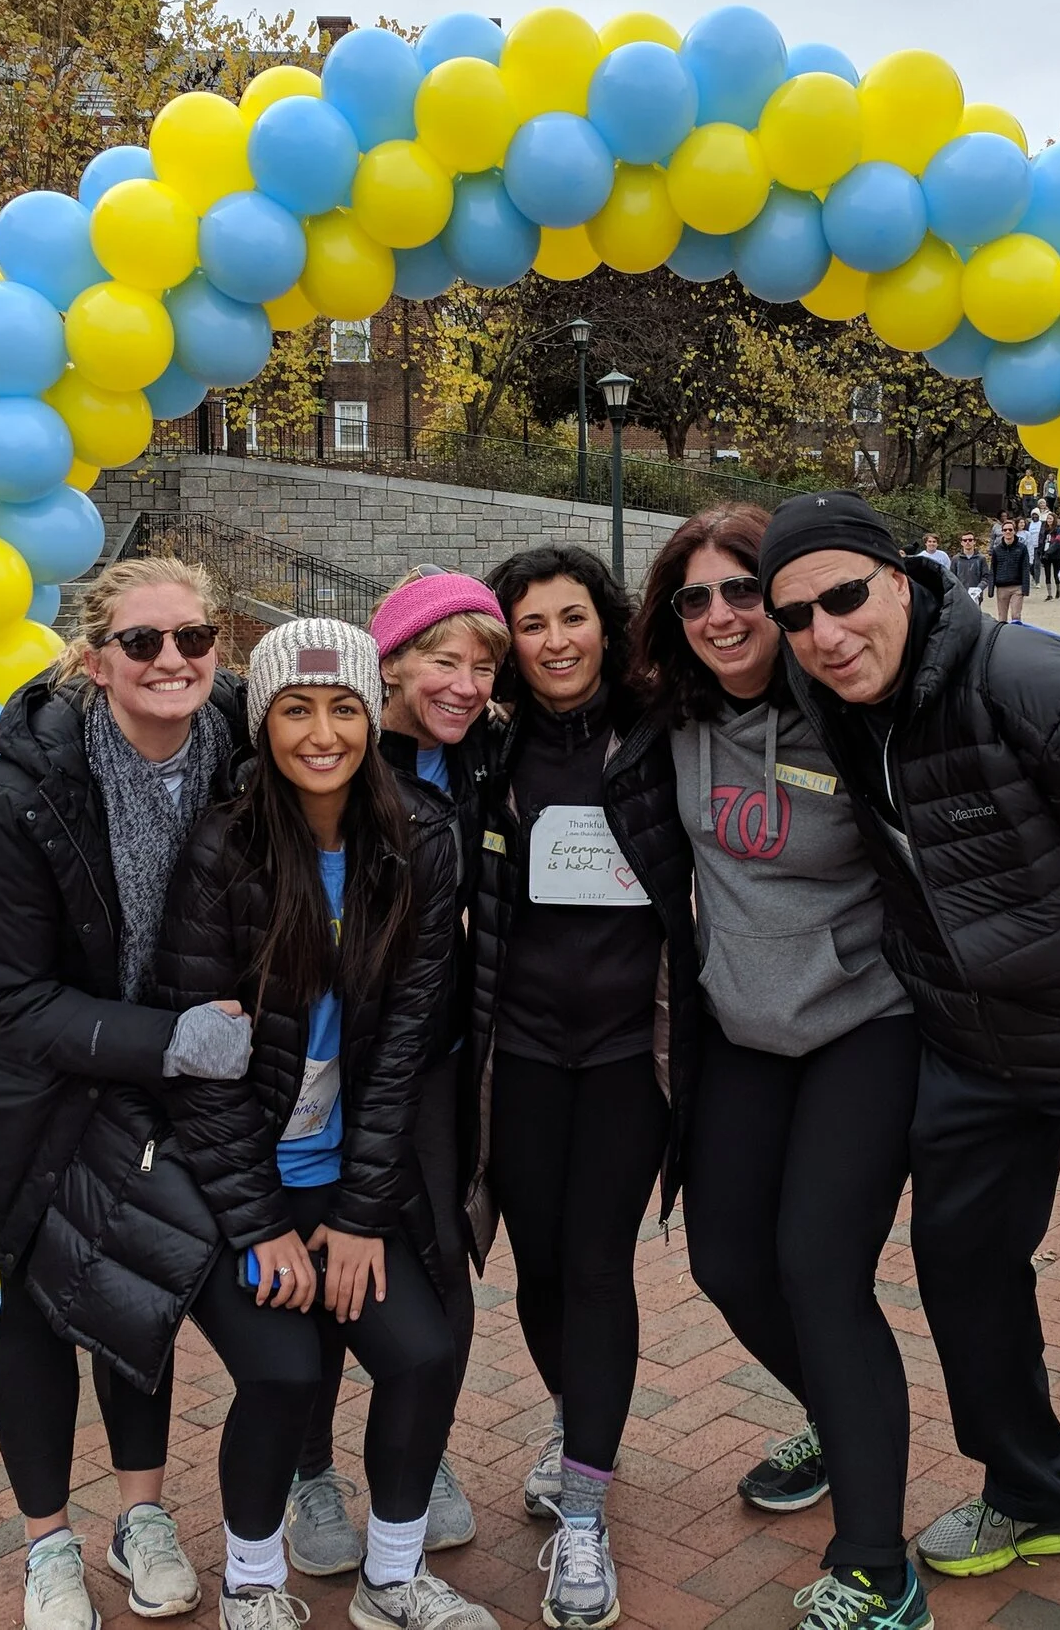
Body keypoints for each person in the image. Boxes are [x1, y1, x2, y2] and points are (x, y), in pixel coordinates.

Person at [760, 491, 1060, 1630]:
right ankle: (1033, 1487)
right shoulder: (830, 696)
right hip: (972, 1052)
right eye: (798, 616)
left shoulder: (1041, 686)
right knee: (959, 1271)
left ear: (902, 579)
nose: (826, 633)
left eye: (844, 598)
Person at [36, 618, 485, 1630]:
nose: (321, 732)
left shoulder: (420, 841)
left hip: (347, 1174)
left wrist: (363, 1214)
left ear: (372, 717)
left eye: (342, 707)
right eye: (295, 709)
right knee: (282, 1372)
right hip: (233, 1177)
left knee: (421, 1353)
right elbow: (203, 1073)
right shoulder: (223, 848)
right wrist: (261, 1225)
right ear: (264, 721)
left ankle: (393, 1577)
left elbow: (401, 1051)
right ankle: (254, 1584)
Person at [0, 554, 245, 1627]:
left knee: (137, 1275)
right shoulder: (18, 795)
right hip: (23, 1083)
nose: (170, 660)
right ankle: (46, 1543)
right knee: (39, 1300)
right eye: (141, 643)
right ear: (96, 661)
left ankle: (140, 1515)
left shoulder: (240, 749)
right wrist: (169, 1041)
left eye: (190, 638)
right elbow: (6, 996)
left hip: (157, 1066)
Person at [632, 506, 927, 1630]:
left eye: (742, 590)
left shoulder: (855, 716)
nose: (719, 615)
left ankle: (875, 1568)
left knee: (818, 1266)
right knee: (724, 1261)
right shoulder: (670, 717)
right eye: (693, 598)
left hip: (867, 1019)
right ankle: (844, 1418)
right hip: (741, 1024)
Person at [469, 545, 698, 1630]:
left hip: (626, 1052)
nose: (556, 640)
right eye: (531, 624)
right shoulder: (489, 748)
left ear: (606, 624)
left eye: (573, 617)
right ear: (507, 642)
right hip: (515, 1050)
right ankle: (573, 1422)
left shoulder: (663, 729)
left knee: (599, 1267)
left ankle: (587, 1514)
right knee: (539, 1267)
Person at [277, 568, 509, 1578]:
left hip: (438, 1058)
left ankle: (420, 1450)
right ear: (391, 665)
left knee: (437, 1268)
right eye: (441, 661)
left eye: (481, 665)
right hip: (332, 1064)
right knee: (326, 1266)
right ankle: (307, 1470)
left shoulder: (482, 758)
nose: (463, 684)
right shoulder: (336, 763)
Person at [987, 516, 1031, 625]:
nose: (1008, 532)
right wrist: (991, 589)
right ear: (1002, 532)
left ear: (1014, 531)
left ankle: (1016, 637)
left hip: (1017, 586)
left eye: (1010, 529)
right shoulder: (997, 550)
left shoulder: (1022, 548)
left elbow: (1025, 568)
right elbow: (993, 569)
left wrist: (1025, 588)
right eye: (1005, 530)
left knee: (1016, 615)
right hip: (1002, 587)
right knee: (1002, 617)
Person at [953, 531, 992, 611]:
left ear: (974, 542)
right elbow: (952, 577)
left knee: (975, 619)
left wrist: (979, 588)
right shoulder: (956, 559)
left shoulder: (981, 559)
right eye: (965, 540)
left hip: (976, 596)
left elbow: (986, 576)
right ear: (961, 543)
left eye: (970, 540)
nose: (967, 542)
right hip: (960, 596)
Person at [1036, 515, 1060, 600]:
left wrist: (1049, 551)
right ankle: (1049, 594)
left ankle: (1058, 589)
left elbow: (1058, 542)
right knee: (1047, 574)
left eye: (1050, 518)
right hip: (1046, 555)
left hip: (1056, 555)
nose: (1049, 520)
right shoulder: (1044, 529)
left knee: (1056, 574)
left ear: (1054, 520)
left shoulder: (1059, 529)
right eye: (1048, 519)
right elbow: (1041, 540)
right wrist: (1041, 552)